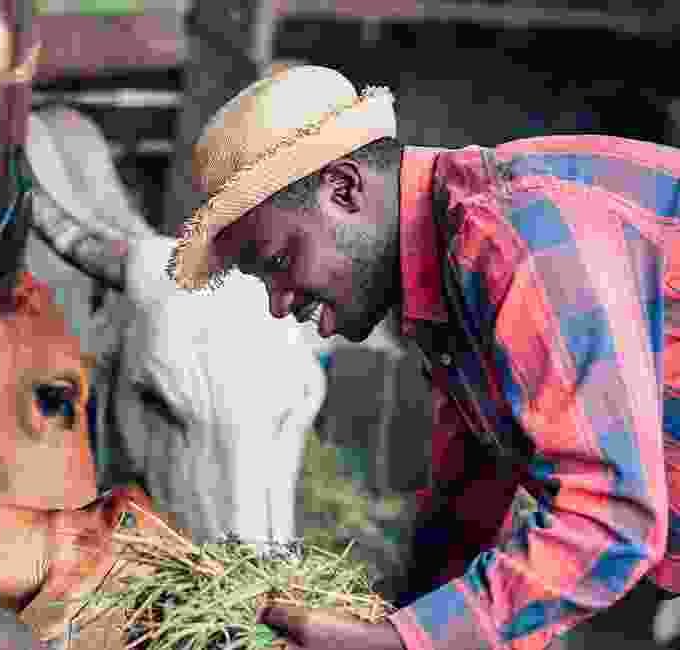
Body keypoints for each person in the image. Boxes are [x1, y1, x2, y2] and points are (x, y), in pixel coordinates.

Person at [165, 64, 680, 650]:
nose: (278, 305)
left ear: (344, 190)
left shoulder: (515, 236)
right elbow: (469, 500)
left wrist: (399, 641)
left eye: (278, 262)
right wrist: (390, 619)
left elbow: (613, 517)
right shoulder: (444, 287)